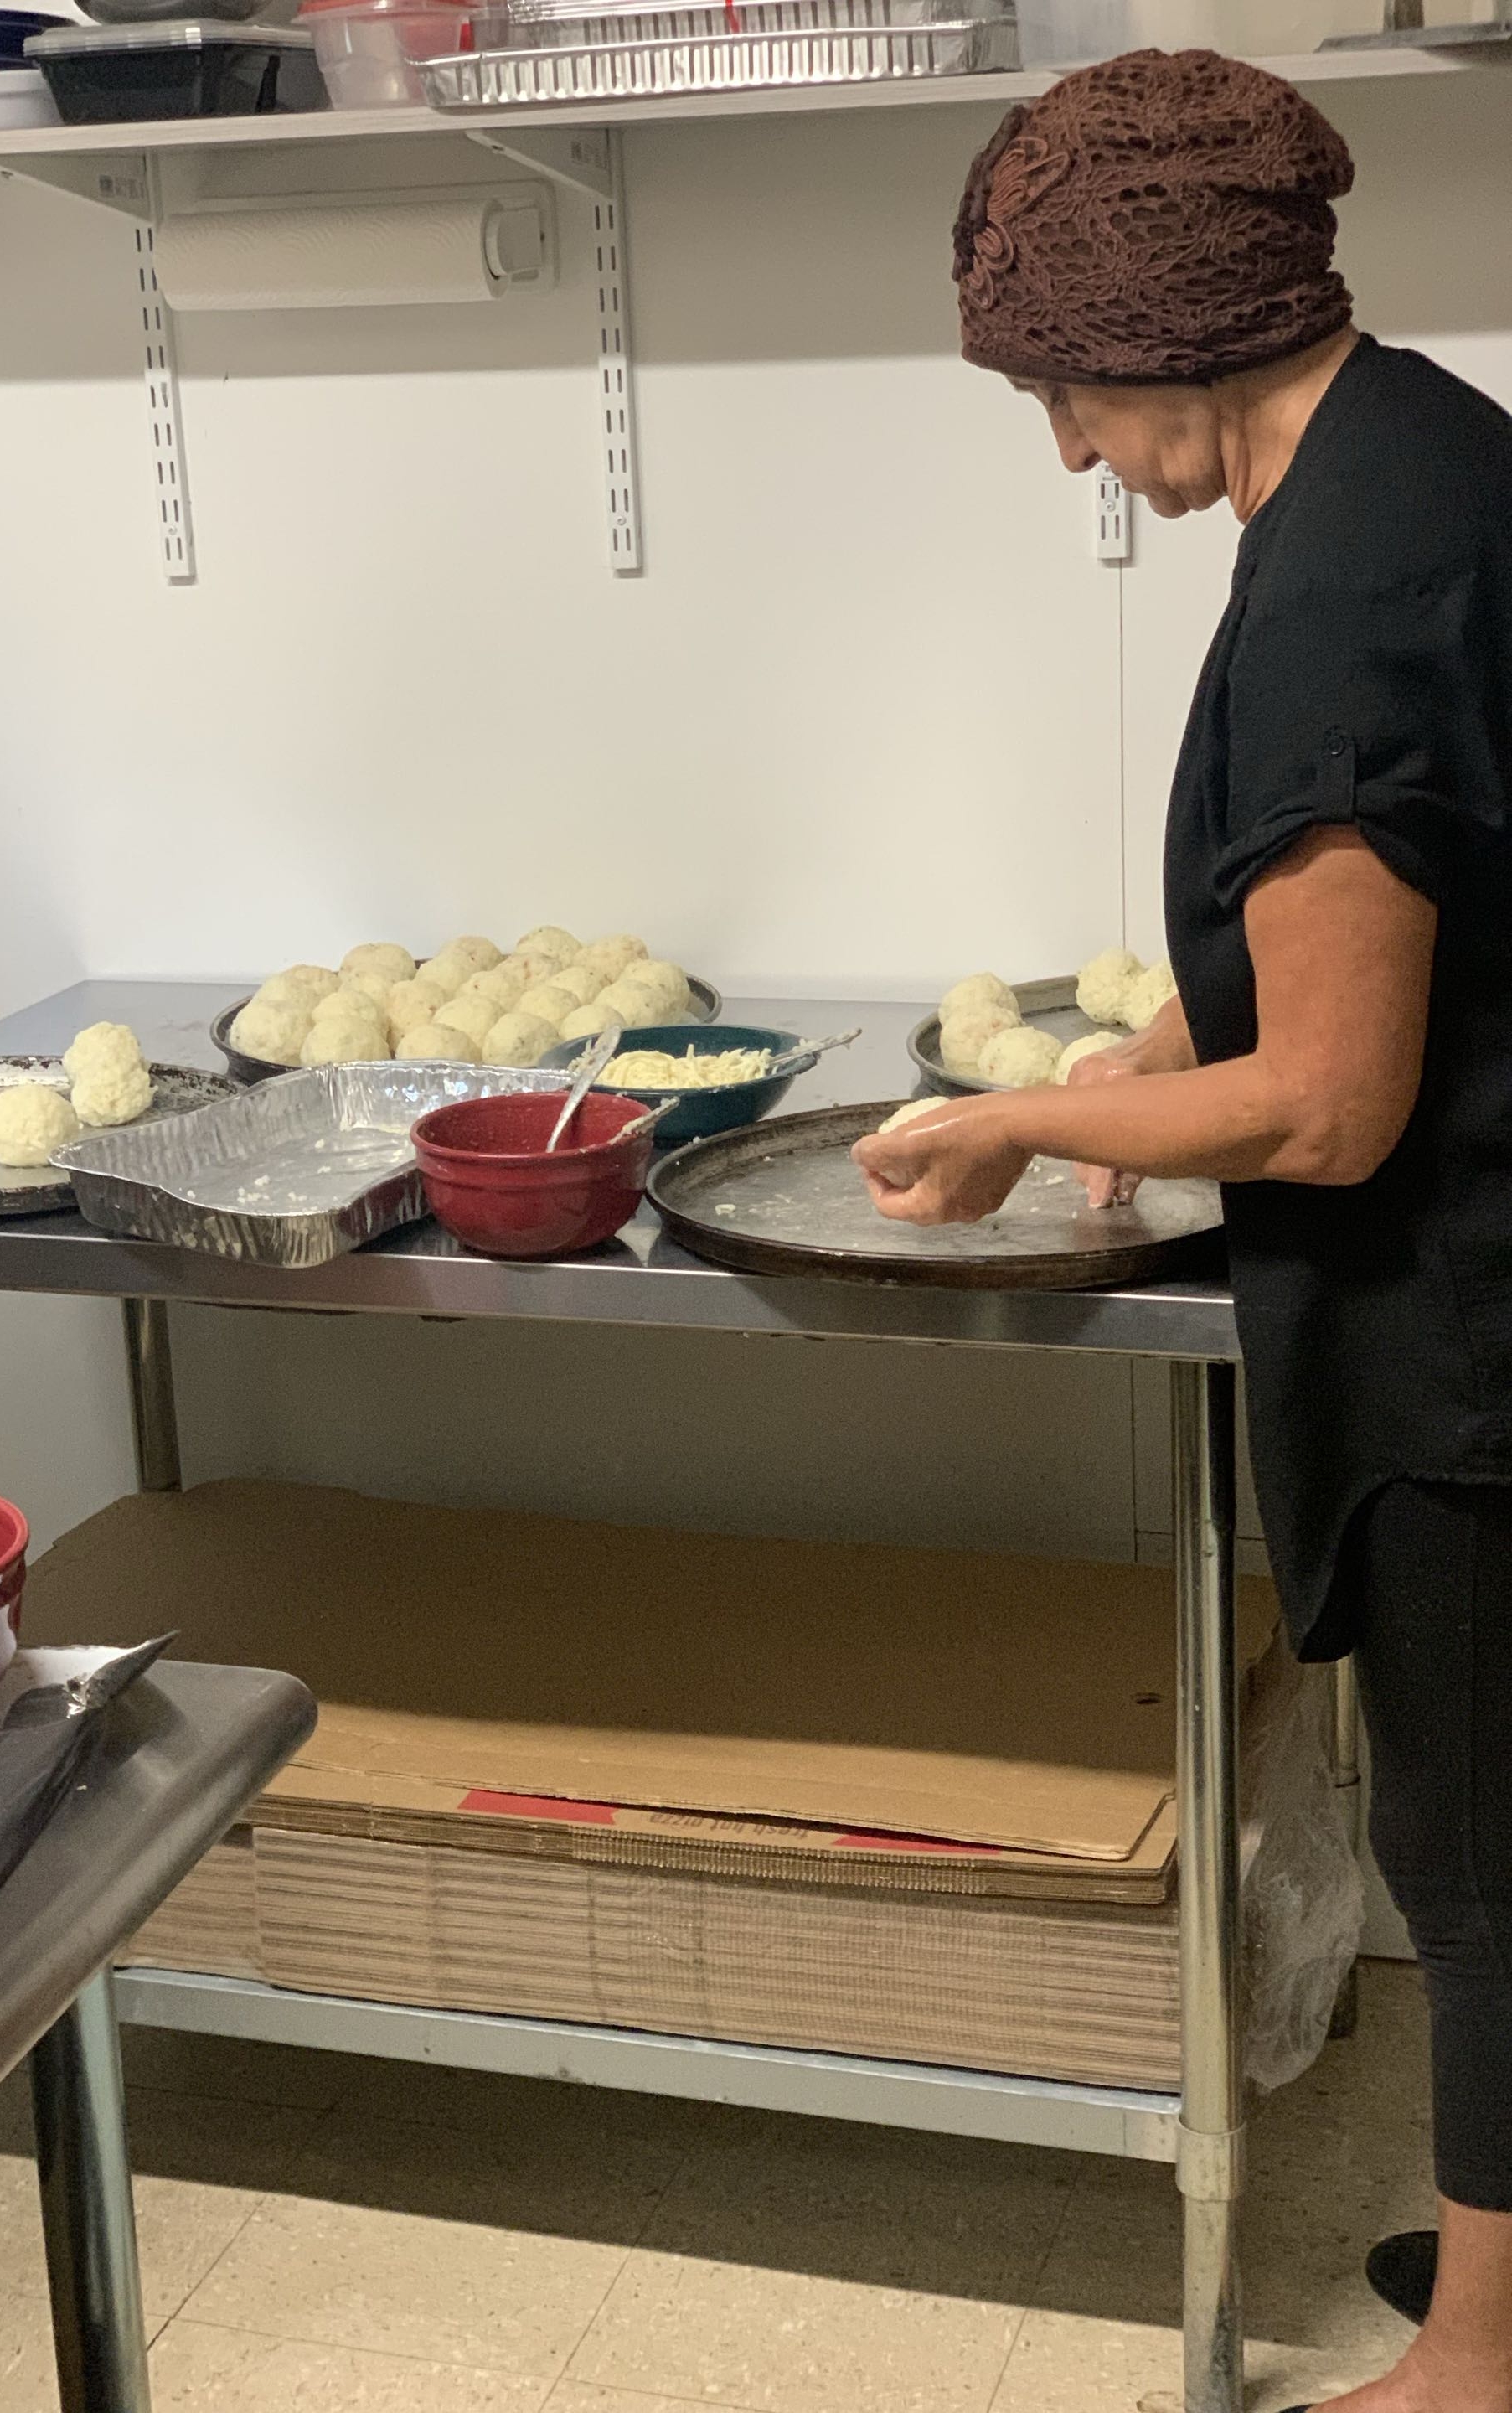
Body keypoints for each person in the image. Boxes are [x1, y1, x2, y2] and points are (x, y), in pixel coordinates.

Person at [850, 49, 1512, 2413]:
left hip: (1469, 1341)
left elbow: (1334, 1102)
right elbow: (1357, 924)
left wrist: (1033, 1116)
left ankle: (1482, 2375)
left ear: (1175, 325)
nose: (1061, 448)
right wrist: (1156, 1046)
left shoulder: (1341, 591)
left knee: (1482, 1854)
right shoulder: (1424, 446)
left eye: (1060, 385)